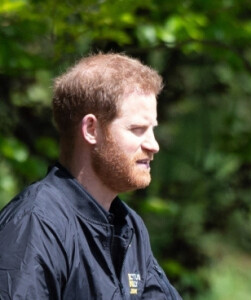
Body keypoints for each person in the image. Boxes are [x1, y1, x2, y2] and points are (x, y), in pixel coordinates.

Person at [0, 53, 182, 300]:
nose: (153, 145)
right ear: (91, 130)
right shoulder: (35, 224)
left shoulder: (130, 228)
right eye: (137, 129)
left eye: (152, 129)